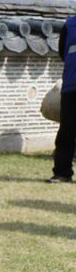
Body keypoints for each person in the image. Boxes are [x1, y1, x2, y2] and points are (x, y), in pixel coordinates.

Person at [48, 15, 76, 183]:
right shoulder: (70, 24)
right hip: (71, 86)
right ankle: (62, 173)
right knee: (67, 131)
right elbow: (62, 52)